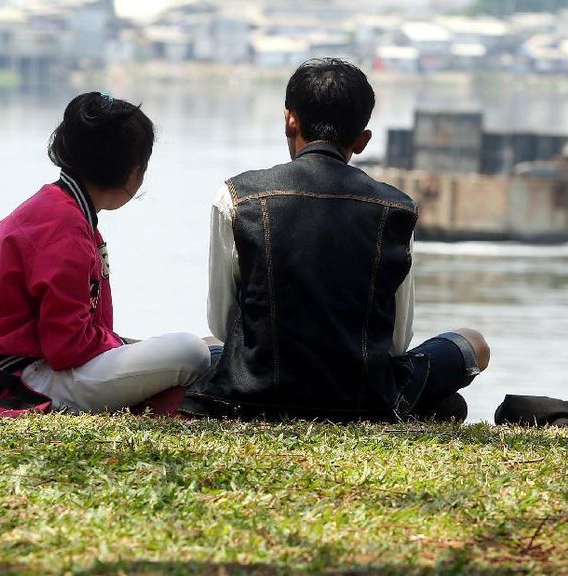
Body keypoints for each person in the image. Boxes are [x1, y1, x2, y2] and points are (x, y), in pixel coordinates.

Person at [182, 58, 490, 421]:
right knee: (474, 343)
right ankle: (421, 405)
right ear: (362, 140)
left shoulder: (236, 196)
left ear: (289, 119)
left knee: (207, 345)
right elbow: (396, 342)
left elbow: (222, 322)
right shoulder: (397, 208)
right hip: (367, 400)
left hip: (251, 396)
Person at [0, 92, 211, 415]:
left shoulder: (57, 209)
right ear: (133, 171)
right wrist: (122, 346)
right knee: (192, 352)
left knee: (207, 346)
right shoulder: (63, 226)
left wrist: (123, 345)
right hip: (28, 381)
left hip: (27, 368)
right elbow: (67, 348)